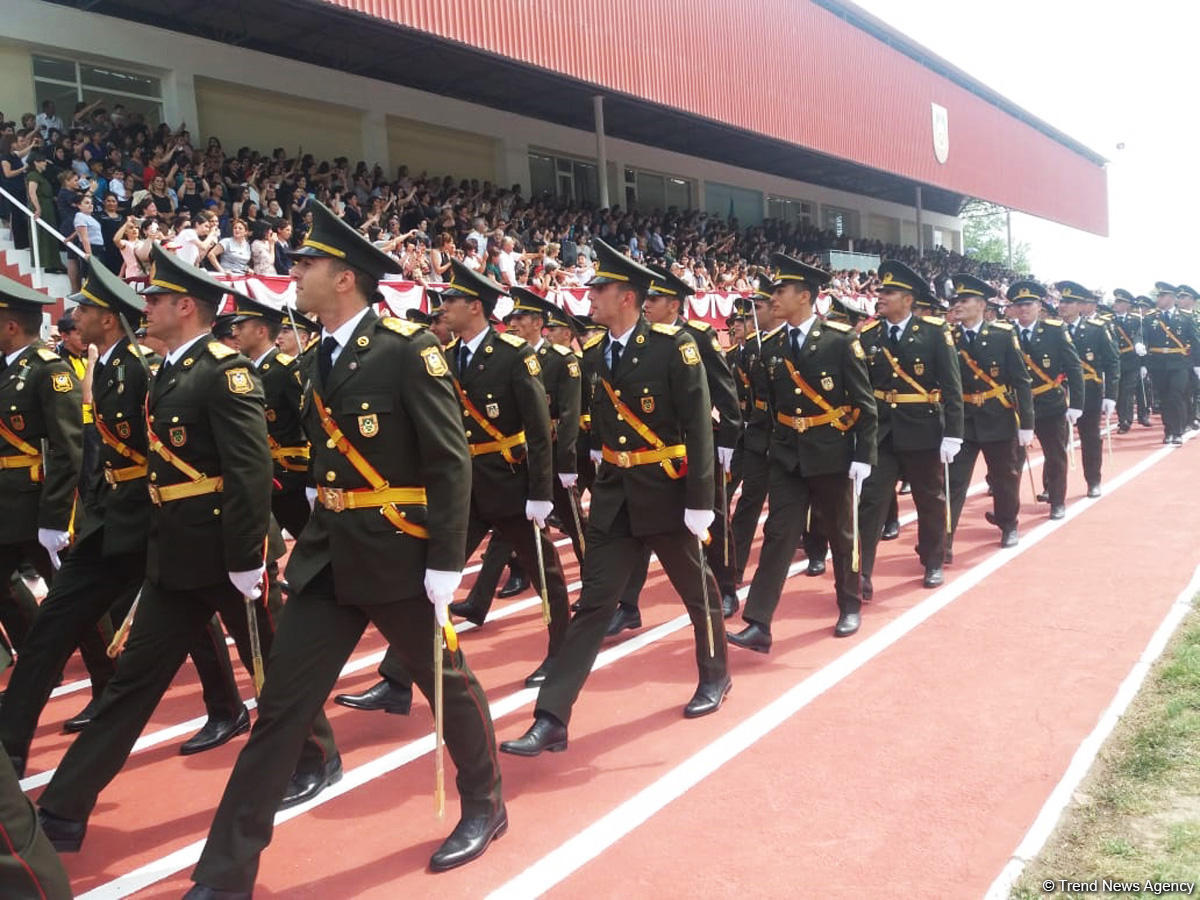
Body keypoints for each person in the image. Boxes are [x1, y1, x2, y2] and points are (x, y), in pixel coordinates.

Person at [188, 200, 504, 895]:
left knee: (445, 687)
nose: (293, 273)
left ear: (345, 278)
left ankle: (485, 803)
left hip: (401, 553)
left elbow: (450, 460)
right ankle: (225, 873)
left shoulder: (405, 348)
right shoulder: (316, 358)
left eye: (306, 264)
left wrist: (449, 561)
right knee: (281, 712)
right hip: (329, 557)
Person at [34, 244, 332, 852]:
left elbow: (249, 470)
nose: (143, 308)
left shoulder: (226, 371)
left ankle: (317, 756)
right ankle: (63, 810)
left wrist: (249, 558)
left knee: (270, 664)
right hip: (177, 554)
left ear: (186, 308)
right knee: (134, 683)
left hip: (229, 550)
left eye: (154, 300)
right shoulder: (170, 369)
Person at [0, 261, 252, 775]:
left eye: (84, 310)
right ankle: (11, 748)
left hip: (154, 517)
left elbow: (153, 452)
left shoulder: (138, 367)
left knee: (214, 623)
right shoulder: (114, 366)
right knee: (55, 624)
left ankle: (238, 712)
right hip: (116, 518)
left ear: (106, 321)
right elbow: (104, 452)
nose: (73, 317)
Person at [499, 238, 730, 758]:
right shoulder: (597, 352)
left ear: (627, 297)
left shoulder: (675, 348)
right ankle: (552, 717)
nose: (591, 297)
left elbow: (698, 426)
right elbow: (603, 424)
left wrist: (701, 501)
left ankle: (714, 673)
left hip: (668, 494)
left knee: (697, 592)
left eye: (599, 289)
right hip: (616, 498)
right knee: (594, 606)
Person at [343, 259, 572, 716]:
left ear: (475, 306)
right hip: (464, 491)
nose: (443, 306)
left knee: (546, 574)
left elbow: (537, 428)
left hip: (509, 482)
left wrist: (541, 491)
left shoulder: (514, 354)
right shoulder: (443, 357)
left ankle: (562, 655)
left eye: (451, 299)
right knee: (428, 582)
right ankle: (397, 678)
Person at [726, 254, 876, 652]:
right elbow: (769, 407)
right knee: (777, 534)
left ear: (805, 296)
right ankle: (758, 622)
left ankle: (849, 604)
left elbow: (865, 404)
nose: (773, 298)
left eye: (781, 291)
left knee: (841, 534)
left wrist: (864, 455)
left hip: (831, 453)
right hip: (788, 456)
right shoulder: (772, 347)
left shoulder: (840, 342)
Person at [605, 262, 743, 635]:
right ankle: (628, 603)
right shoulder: (638, 339)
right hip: (651, 455)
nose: (647, 304)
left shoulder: (694, 337)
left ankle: (726, 586)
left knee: (711, 518)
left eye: (656, 298)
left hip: (694, 445)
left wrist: (728, 436)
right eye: (646, 297)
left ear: (675, 304)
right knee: (637, 527)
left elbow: (723, 388)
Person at [855, 260, 963, 597]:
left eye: (888, 292)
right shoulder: (870, 335)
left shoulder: (934, 332)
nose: (880, 296)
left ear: (908, 298)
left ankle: (932, 560)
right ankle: (861, 574)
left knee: (929, 499)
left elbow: (952, 386)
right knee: (871, 502)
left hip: (923, 429)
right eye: (881, 290)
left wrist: (953, 433)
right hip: (883, 433)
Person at [945, 273, 1033, 554]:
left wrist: (1027, 424)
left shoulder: (1003, 335)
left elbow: (1021, 380)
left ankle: (1009, 524)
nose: (957, 304)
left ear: (982, 305)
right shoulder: (948, 337)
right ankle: (943, 539)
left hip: (998, 417)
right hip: (963, 421)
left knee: (1004, 477)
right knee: (953, 481)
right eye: (955, 300)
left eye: (965, 299)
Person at [230, 295, 311, 539]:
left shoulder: (285, 369)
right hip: (258, 474)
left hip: (288, 477)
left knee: (308, 539)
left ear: (261, 331)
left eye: (241, 326)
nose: (234, 332)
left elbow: (308, 420)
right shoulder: (242, 370)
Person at [729, 280, 781, 587]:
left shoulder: (791, 344)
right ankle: (733, 572)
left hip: (791, 436)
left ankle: (816, 548)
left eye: (755, 309)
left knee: (794, 507)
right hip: (758, 435)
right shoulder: (749, 351)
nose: (748, 318)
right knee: (749, 503)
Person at [1051, 281, 1118, 497]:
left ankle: (1093, 480)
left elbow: (1112, 362)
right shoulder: (1050, 330)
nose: (1063, 306)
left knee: (1089, 437)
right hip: (1057, 390)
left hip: (1089, 390)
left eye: (1069, 302)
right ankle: (1051, 486)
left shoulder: (1096, 330)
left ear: (1080, 306)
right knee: (1054, 440)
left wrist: (1110, 395)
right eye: (1062, 301)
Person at [1143, 283, 1200, 446]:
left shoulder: (1186, 318)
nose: (1158, 299)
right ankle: (1168, 431)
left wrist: (1197, 363)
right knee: (1164, 398)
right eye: (1158, 296)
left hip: (1179, 363)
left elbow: (1195, 341)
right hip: (1158, 363)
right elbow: (1142, 335)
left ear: (1172, 298)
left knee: (1177, 395)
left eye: (1162, 296)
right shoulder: (1150, 318)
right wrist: (1139, 344)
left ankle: (1177, 431)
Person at [1110, 289, 1149, 432]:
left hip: (1131, 360)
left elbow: (1142, 338)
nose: (1116, 304)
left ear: (1127, 305)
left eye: (1120, 302)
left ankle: (1125, 421)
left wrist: (1143, 363)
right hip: (1115, 361)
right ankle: (1122, 417)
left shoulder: (1136, 320)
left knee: (1127, 391)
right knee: (1118, 393)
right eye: (1116, 301)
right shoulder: (1109, 320)